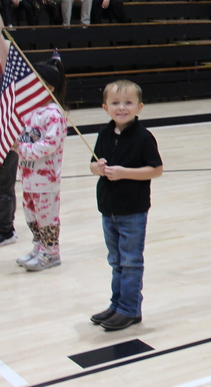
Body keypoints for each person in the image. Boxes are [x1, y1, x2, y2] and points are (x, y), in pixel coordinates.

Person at [89, 80, 163, 330]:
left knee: (131, 260)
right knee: (116, 260)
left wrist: (124, 173)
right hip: (108, 209)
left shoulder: (143, 137)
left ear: (139, 107)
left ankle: (130, 309)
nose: (122, 108)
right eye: (115, 103)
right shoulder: (103, 134)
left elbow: (156, 170)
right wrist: (97, 168)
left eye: (128, 103)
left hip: (133, 209)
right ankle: (117, 304)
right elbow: (92, 165)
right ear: (105, 107)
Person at [13, 58, 67, 272]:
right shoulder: (30, 112)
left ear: (50, 87)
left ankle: (51, 252)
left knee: (47, 215)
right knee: (31, 214)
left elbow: (50, 144)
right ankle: (39, 246)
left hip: (46, 178)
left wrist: (22, 148)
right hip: (28, 175)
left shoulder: (53, 113)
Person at [0, 14, 16, 248]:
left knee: (2, 183)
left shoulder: (6, 47)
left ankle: (4, 229)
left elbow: (9, 66)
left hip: (5, 126)